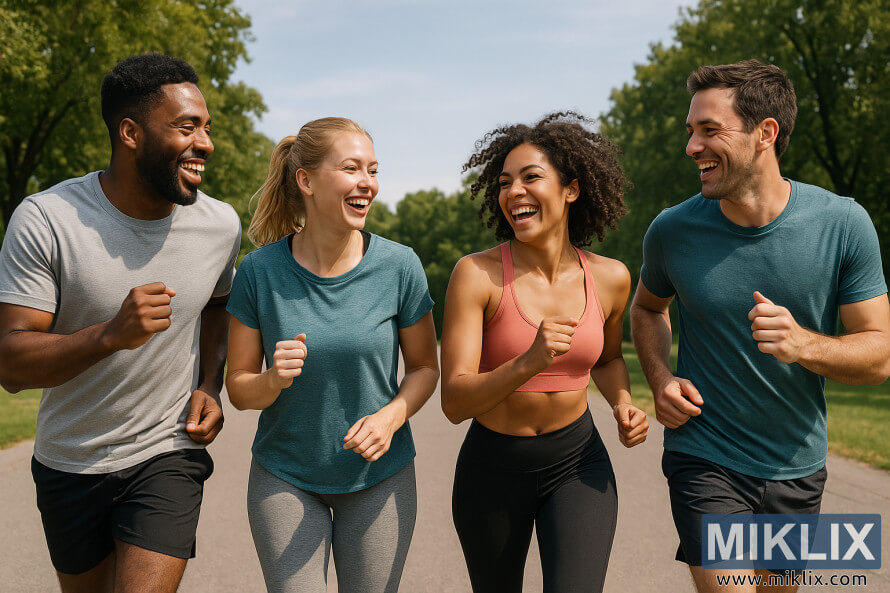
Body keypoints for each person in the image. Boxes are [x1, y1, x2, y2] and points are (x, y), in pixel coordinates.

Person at [631, 59, 890, 593]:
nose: (691, 147)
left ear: (765, 133)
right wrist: (660, 379)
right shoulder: (671, 231)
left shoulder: (843, 224)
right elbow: (648, 308)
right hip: (705, 456)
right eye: (691, 132)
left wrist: (802, 345)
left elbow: (879, 356)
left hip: (797, 463)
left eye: (709, 130)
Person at [0, 53, 241, 593]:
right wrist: (110, 335)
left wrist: (209, 383)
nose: (205, 143)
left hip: (167, 450)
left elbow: (218, 305)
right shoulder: (47, 220)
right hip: (71, 460)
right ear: (130, 132)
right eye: (186, 127)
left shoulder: (220, 224)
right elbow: (11, 361)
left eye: (206, 127)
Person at [224, 117, 439, 593]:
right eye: (352, 168)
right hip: (285, 476)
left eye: (374, 170)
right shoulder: (259, 271)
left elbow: (425, 368)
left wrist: (390, 418)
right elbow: (238, 386)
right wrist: (271, 380)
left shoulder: (399, 266)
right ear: (306, 180)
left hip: (379, 477)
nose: (369, 183)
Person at [441, 112, 649, 593]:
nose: (514, 192)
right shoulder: (477, 275)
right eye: (504, 182)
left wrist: (623, 404)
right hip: (491, 471)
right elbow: (454, 402)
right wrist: (527, 362)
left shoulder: (611, 277)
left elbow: (609, 359)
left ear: (571, 189)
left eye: (531, 177)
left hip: (578, 463)